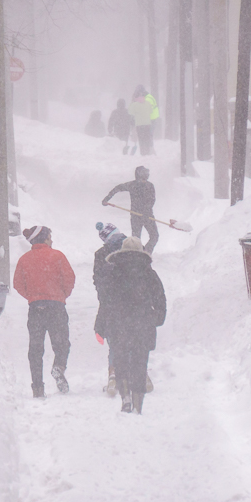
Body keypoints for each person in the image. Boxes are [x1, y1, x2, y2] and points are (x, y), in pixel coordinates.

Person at [96, 237, 166, 414]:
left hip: (119, 323)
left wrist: (101, 325)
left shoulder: (112, 273)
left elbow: (105, 300)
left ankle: (125, 396)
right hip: (143, 323)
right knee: (140, 362)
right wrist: (158, 318)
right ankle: (138, 401)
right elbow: (160, 297)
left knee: (120, 361)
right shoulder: (149, 273)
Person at [13, 225, 76, 397]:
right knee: (62, 343)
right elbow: (69, 279)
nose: (52, 240)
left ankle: (38, 388)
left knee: (35, 349)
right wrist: (62, 295)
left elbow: (17, 284)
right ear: (46, 238)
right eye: (50, 237)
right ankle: (59, 367)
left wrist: (32, 296)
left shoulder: (24, 259)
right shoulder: (58, 256)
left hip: (36, 308)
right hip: (56, 307)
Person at [93, 222, 126, 395]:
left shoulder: (101, 254)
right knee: (134, 341)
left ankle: (113, 375)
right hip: (133, 304)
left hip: (112, 304)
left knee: (114, 341)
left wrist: (104, 300)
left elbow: (98, 280)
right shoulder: (133, 248)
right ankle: (141, 376)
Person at [101, 165, 158, 254]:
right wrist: (106, 199)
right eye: (144, 173)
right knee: (136, 240)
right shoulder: (133, 185)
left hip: (147, 216)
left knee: (153, 236)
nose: (146, 175)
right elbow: (117, 188)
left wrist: (146, 211)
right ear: (139, 175)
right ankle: (138, 256)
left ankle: (145, 253)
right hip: (137, 216)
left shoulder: (149, 185)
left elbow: (152, 200)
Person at [127, 86, 154, 156]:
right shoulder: (148, 103)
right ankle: (148, 151)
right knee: (147, 138)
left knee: (141, 139)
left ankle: (143, 152)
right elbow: (151, 111)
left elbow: (130, 112)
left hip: (139, 125)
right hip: (148, 124)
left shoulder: (134, 105)